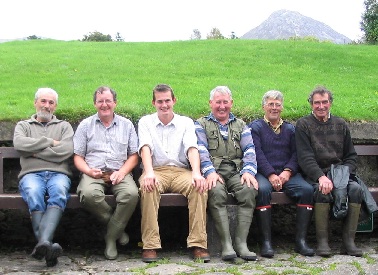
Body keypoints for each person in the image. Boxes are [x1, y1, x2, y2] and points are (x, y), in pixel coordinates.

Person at [138, 84, 209, 263]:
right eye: (160, 101)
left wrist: (196, 173)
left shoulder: (185, 122)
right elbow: (145, 148)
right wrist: (148, 172)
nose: (164, 105)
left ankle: (198, 244)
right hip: (156, 170)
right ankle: (150, 245)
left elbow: (192, 148)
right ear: (153, 102)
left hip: (180, 171)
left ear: (174, 100)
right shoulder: (145, 122)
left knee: (199, 187)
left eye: (167, 100)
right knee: (148, 187)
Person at [295, 86, 364, 257]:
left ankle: (348, 242)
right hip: (315, 174)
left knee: (355, 190)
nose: (321, 106)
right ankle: (323, 242)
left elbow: (351, 156)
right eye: (316, 103)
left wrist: (342, 175)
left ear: (330, 103)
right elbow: (305, 158)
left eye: (324, 102)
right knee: (322, 191)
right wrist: (321, 177)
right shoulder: (303, 125)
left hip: (339, 173)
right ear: (311, 104)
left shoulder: (341, 124)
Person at [74, 86, 139, 260]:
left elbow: (134, 155)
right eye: (100, 101)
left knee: (131, 194)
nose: (104, 105)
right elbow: (78, 157)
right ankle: (118, 231)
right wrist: (88, 170)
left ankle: (110, 237)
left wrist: (123, 171)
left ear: (115, 103)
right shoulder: (85, 125)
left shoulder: (126, 125)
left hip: (120, 172)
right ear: (95, 103)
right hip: (93, 172)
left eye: (108, 101)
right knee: (88, 195)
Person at [195, 86, 258, 261]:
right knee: (215, 193)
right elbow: (201, 150)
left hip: (237, 171)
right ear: (210, 103)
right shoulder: (201, 124)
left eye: (225, 102)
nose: (222, 106)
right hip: (214, 172)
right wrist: (209, 172)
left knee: (248, 190)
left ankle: (241, 244)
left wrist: (248, 171)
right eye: (218, 102)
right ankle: (226, 244)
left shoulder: (241, 125)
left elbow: (250, 150)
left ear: (231, 103)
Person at [249, 90, 314, 258]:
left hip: (287, 174)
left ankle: (301, 242)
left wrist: (287, 172)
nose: (274, 108)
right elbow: (257, 153)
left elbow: (296, 154)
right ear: (264, 106)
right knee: (262, 190)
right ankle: (266, 242)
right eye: (271, 104)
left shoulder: (291, 129)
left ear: (282, 107)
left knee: (307, 190)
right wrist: (271, 174)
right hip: (264, 173)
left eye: (278, 105)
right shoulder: (255, 127)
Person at [13, 88, 74, 267]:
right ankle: (48, 247)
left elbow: (65, 151)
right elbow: (20, 144)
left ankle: (43, 244)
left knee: (60, 191)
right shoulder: (23, 126)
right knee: (33, 192)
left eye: (51, 103)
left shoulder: (64, 126)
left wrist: (34, 152)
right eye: (43, 101)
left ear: (55, 106)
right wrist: (49, 142)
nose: (46, 106)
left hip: (59, 174)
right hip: (31, 174)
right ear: (35, 102)